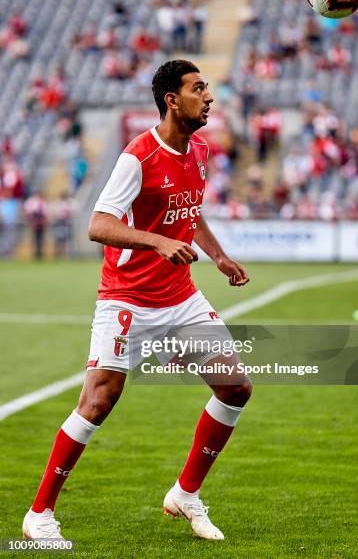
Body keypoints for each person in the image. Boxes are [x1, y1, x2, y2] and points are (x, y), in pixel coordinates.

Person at [22, 60, 252, 542]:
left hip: (181, 296)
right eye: (198, 88)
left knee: (235, 386)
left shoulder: (201, 150)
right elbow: (98, 225)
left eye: (207, 88)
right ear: (172, 99)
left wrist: (219, 256)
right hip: (128, 298)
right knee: (99, 400)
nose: (208, 97)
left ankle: (186, 494)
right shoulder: (139, 156)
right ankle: (39, 514)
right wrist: (157, 242)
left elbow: (191, 210)